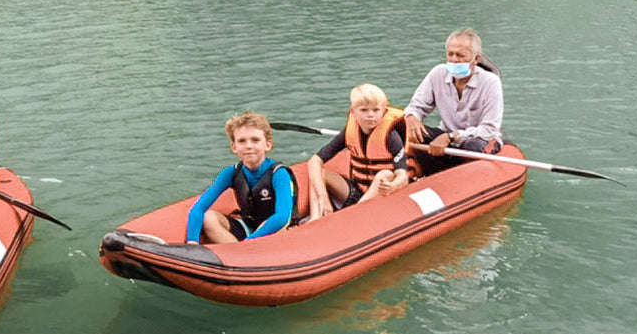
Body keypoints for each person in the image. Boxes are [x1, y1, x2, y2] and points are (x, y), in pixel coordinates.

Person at [394, 28, 504, 185]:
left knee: (473, 146)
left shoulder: (490, 82)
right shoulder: (437, 73)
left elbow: (489, 129)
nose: (454, 60)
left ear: (476, 58)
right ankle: (432, 175)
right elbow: (416, 106)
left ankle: (465, 183)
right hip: (445, 136)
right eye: (450, 54)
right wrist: (411, 117)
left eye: (461, 55)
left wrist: (451, 136)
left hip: (476, 138)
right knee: (403, 128)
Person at [186, 113, 297, 244]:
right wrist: (191, 242)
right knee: (208, 218)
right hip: (248, 227)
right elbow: (199, 207)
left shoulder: (279, 174)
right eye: (242, 141)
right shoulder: (230, 173)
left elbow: (282, 217)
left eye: (255, 140)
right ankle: (238, 254)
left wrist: (249, 242)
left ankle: (242, 252)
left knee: (274, 223)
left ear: (268, 145)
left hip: (277, 230)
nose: (248, 146)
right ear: (234, 147)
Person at [305, 83, 409, 221]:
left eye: (375, 110)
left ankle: (354, 216)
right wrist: (323, 197)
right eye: (364, 110)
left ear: (384, 112)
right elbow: (314, 161)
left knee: (386, 174)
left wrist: (392, 186)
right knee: (319, 172)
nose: (370, 115)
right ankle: (315, 218)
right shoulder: (349, 132)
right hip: (356, 190)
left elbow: (403, 176)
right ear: (353, 112)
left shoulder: (391, 137)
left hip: (381, 192)